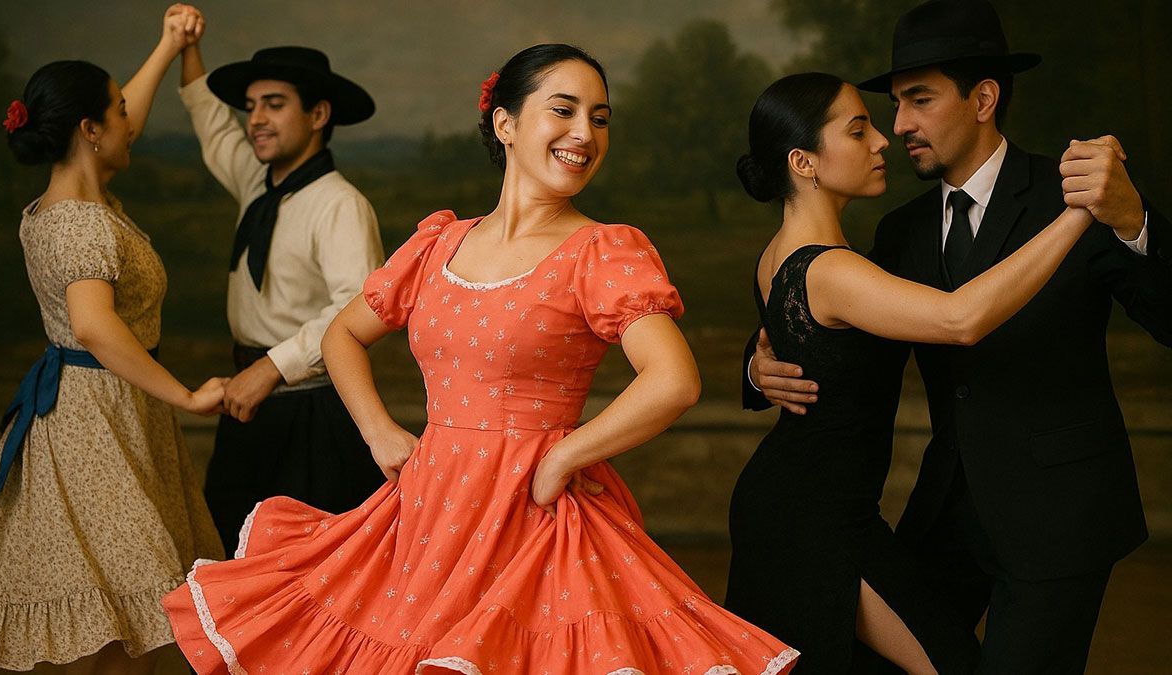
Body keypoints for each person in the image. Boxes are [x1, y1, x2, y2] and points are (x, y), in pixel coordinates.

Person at [160, 44, 800, 674]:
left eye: (600, 118)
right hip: (429, 509)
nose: (585, 133)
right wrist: (379, 432)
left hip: (537, 512)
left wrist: (564, 456)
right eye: (564, 110)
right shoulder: (439, 242)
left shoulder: (601, 251)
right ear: (505, 123)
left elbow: (673, 380)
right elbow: (342, 335)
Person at [743, 1, 1172, 671]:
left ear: (983, 100)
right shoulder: (900, 232)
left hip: (1059, 514)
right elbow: (833, 320)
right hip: (945, 513)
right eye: (891, 107)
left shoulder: (1078, 192)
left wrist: (1132, 219)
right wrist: (757, 365)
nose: (898, 127)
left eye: (918, 100)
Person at [0, 8, 225, 674]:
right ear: (89, 130)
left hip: (108, 407)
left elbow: (121, 123)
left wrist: (168, 45)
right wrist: (185, 396)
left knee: (126, 620)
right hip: (94, 422)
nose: (129, 121)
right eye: (117, 111)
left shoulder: (66, 203)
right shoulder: (81, 223)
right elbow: (93, 325)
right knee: (131, 613)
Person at [172, 4, 386, 557]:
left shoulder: (340, 204)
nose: (255, 120)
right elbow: (212, 124)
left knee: (309, 564)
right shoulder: (257, 182)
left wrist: (270, 368)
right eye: (250, 107)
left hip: (313, 410)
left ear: (318, 114)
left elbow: (357, 309)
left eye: (274, 104)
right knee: (232, 551)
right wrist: (187, 47)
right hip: (248, 400)